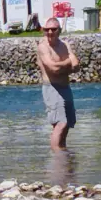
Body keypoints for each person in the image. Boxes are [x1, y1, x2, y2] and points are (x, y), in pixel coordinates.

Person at [36, 17, 80, 151]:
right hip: (52, 89)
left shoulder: (64, 45)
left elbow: (76, 65)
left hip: (65, 87)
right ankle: (57, 156)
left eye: (53, 29)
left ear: (59, 30)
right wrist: (67, 63)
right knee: (60, 123)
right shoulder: (43, 47)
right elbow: (53, 69)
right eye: (46, 29)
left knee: (68, 123)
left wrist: (62, 65)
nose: (50, 32)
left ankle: (63, 152)